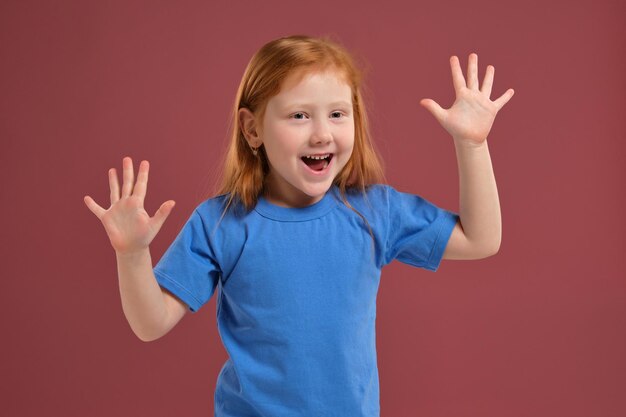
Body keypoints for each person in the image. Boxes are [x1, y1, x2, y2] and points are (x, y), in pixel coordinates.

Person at [84, 34, 514, 417]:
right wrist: (132, 254)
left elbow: (481, 239)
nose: (322, 134)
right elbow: (150, 323)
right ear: (253, 129)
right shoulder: (221, 223)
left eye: (338, 114)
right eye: (299, 116)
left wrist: (472, 144)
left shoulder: (374, 211)